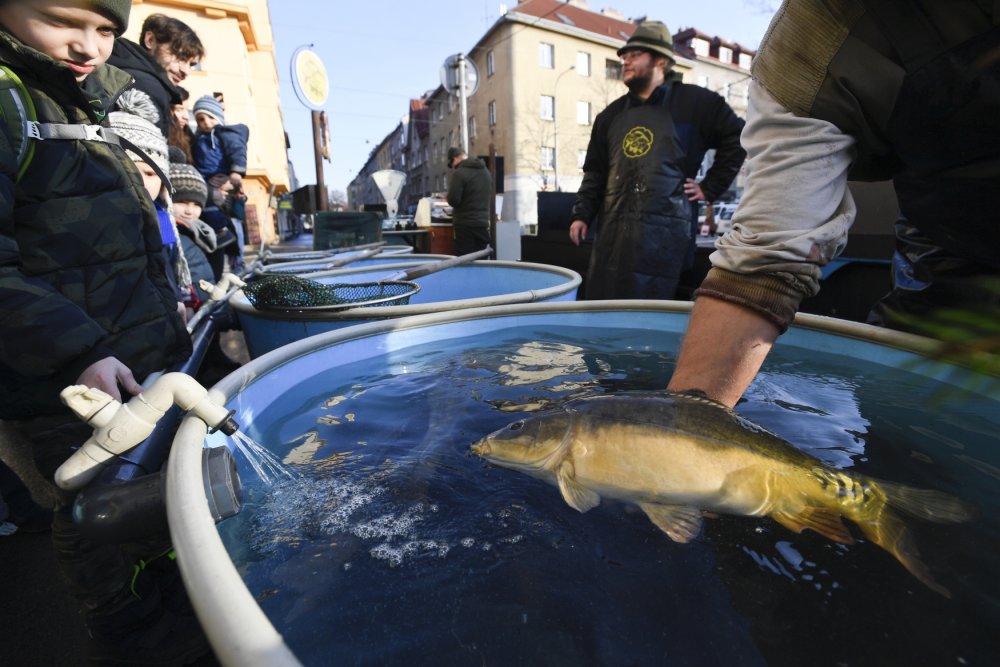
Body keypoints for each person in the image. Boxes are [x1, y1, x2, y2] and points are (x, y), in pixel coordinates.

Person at [0, 1, 208, 662]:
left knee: (157, 513)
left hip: (133, 363)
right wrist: (78, 348)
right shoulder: (11, 100)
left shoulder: (79, 98)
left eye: (105, 30)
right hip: (70, 383)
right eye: (64, 21)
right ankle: (128, 631)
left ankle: (172, 618)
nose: (89, 46)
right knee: (100, 522)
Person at [667, 0, 999, 408]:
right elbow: (765, 257)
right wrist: (682, 423)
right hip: (952, 235)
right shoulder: (809, 46)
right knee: (906, 404)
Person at [569, 20, 745, 300]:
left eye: (634, 55)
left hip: (666, 239)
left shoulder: (696, 104)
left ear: (660, 60)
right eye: (624, 56)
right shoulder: (609, 116)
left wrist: (710, 187)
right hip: (613, 238)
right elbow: (595, 172)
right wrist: (581, 214)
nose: (625, 61)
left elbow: (737, 137)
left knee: (655, 320)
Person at [106, 13, 203, 139]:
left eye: (192, 64)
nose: (186, 71)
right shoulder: (146, 85)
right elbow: (142, 155)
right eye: (181, 57)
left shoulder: (129, 73)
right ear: (150, 40)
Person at [445, 146, 493, 255]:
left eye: (451, 163)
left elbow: (454, 200)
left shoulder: (459, 173)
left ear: (455, 158)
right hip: (482, 224)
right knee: (481, 258)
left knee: (465, 261)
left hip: (465, 225)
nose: (453, 167)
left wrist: (448, 197)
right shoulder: (485, 171)